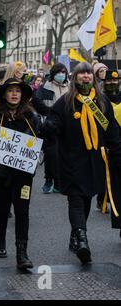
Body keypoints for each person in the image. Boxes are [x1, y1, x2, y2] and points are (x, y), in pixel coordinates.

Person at [45, 62, 121, 264]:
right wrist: (50, 126)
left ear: (93, 78)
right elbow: (54, 125)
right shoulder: (65, 102)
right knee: (76, 199)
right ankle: (82, 239)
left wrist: (117, 153)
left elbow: (111, 130)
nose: (86, 76)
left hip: (94, 161)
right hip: (71, 160)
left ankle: (75, 234)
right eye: (82, 73)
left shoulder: (102, 102)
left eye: (89, 73)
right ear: (75, 78)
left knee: (86, 199)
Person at [0, 79, 41, 270]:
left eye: (17, 91)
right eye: (10, 91)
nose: (14, 94)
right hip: (1, 173)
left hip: (24, 174)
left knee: (22, 211)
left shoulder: (32, 117)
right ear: (4, 95)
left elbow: (39, 140)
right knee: (4, 207)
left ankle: (22, 252)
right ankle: (0, 239)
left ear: (23, 95)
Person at [34, 63, 70, 194]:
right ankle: (49, 179)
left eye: (64, 72)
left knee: (64, 155)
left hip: (66, 126)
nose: (62, 75)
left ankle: (60, 182)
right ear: (54, 74)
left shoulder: (71, 87)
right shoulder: (45, 87)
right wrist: (52, 112)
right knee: (51, 154)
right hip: (50, 125)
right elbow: (37, 102)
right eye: (59, 72)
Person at [97, 70, 121, 236]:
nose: (112, 83)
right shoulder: (100, 101)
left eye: (116, 80)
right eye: (109, 81)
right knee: (116, 188)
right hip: (108, 148)